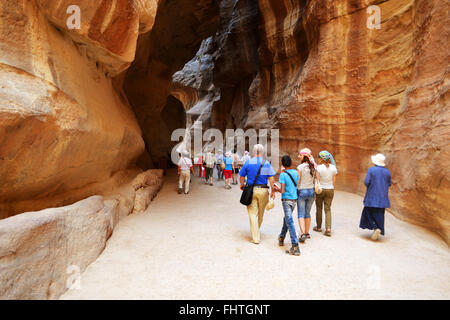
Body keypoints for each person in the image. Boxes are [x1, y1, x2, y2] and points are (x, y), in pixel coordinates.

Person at [239, 144, 276, 244]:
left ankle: (255, 237)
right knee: (260, 213)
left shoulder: (248, 162)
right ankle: (256, 231)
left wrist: (242, 185)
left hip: (251, 190)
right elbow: (271, 178)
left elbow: (242, 176)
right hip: (263, 190)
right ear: (262, 152)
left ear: (253, 152)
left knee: (252, 213)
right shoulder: (266, 163)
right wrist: (273, 190)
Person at [359, 153, 391, 241]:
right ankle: (378, 228)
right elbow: (389, 183)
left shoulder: (371, 170)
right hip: (383, 198)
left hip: (371, 196)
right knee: (380, 214)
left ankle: (375, 227)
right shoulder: (387, 172)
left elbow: (366, 182)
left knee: (368, 212)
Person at [275, 155, 300, 256]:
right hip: (294, 200)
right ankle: (281, 237)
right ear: (291, 163)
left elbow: (282, 190)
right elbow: (295, 185)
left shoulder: (283, 175)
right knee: (287, 219)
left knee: (289, 221)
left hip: (286, 200)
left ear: (283, 164)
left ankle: (295, 246)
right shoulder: (295, 172)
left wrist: (276, 189)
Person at [314, 150, 338, 237]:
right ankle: (328, 228)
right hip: (330, 189)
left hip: (321, 189)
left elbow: (318, 180)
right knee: (328, 209)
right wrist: (331, 187)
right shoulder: (333, 168)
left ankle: (319, 227)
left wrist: (316, 190)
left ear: (322, 158)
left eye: (319, 157)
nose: (318, 158)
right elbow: (334, 181)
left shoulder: (319, 168)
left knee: (319, 208)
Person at [297, 150, 316, 243]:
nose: (298, 156)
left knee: (301, 213)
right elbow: (315, 179)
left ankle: (302, 233)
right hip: (311, 191)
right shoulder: (313, 166)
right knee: (307, 213)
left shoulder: (300, 167)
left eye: (300, 155)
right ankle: (307, 232)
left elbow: (298, 180)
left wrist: (296, 190)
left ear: (304, 157)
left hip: (302, 190)